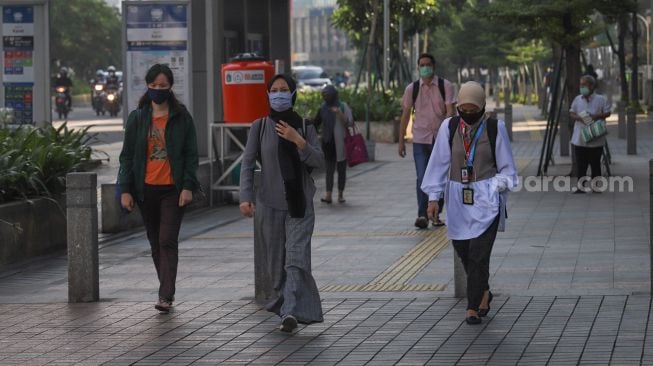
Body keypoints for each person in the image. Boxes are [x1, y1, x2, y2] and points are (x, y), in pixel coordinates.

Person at [421, 81, 517, 325]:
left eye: (473, 109)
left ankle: (472, 306)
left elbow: (509, 171)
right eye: (463, 108)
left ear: (482, 107)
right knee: (463, 251)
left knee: (478, 255)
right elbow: (439, 164)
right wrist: (433, 198)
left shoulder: (496, 128)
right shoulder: (449, 127)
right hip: (457, 203)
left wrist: (490, 187)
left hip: (487, 203)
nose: (468, 114)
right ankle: (483, 291)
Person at [239, 74, 324, 333]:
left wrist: (298, 140)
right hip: (269, 202)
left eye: (284, 89)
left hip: (299, 204)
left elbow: (319, 161)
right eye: (274, 90)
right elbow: (247, 162)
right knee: (276, 266)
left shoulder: (306, 125)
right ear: (268, 95)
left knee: (296, 259)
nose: (279, 94)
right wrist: (245, 197)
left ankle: (289, 312)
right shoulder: (260, 126)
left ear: (293, 93)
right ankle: (285, 302)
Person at [118, 63, 199, 313]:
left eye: (162, 86)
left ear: (170, 87)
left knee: (167, 240)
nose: (158, 90)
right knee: (155, 243)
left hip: (172, 190)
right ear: (148, 87)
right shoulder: (138, 117)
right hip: (145, 190)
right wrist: (126, 189)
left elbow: (190, 155)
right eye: (153, 86)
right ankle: (166, 287)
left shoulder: (182, 117)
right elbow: (127, 156)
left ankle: (165, 295)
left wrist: (187, 186)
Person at [399, 53, 456, 229]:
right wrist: (401, 140)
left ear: (434, 66)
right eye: (422, 65)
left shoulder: (445, 86)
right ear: (418, 67)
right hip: (420, 139)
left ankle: (436, 214)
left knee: (440, 177)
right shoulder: (412, 89)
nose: (425, 67)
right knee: (422, 176)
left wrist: (446, 133)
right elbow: (406, 115)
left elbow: (450, 111)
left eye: (428, 64)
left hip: (441, 140)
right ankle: (422, 214)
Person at [569, 75, 611, 193]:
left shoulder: (601, 99)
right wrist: (578, 118)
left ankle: (596, 186)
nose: (582, 87)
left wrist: (596, 116)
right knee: (581, 163)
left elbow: (608, 113)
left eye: (584, 85)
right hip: (579, 137)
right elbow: (571, 112)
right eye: (581, 85)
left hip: (595, 135)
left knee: (595, 162)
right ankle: (580, 187)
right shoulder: (578, 99)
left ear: (592, 86)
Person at [313, 85, 354, 204]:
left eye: (328, 95)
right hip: (328, 143)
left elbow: (349, 123)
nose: (326, 97)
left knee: (341, 170)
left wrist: (339, 113)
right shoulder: (323, 108)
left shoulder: (342, 106)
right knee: (329, 171)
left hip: (341, 143)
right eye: (324, 95)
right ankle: (328, 195)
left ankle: (340, 194)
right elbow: (316, 122)